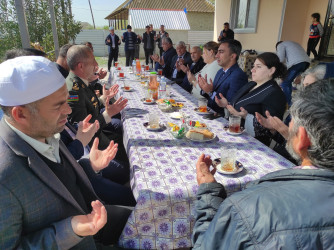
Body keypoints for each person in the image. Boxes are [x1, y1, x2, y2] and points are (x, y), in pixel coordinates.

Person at [0, 56, 132, 249]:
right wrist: (70, 230)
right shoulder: (4, 177)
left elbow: (58, 177)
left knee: (153, 219)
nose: (68, 110)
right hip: (78, 238)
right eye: (58, 105)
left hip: (92, 220)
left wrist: (90, 165)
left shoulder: (43, 128)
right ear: (20, 114)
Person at [193, 78, 334, 249]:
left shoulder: (248, 208)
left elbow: (208, 244)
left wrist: (208, 192)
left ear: (302, 139)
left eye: (291, 122)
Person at [65, 45, 128, 163]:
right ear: (81, 66)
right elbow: (84, 127)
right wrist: (107, 114)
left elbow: (89, 105)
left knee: (124, 142)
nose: (95, 64)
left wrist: (103, 99)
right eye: (93, 60)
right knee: (125, 164)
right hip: (91, 144)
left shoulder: (80, 80)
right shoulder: (74, 89)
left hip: (99, 133)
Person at [216, 52, 287, 146]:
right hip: (234, 134)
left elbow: (272, 129)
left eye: (258, 67)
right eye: (254, 66)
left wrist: (246, 116)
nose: (253, 70)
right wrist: (227, 104)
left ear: (271, 70)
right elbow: (240, 106)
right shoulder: (251, 84)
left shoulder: (275, 93)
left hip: (253, 144)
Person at [198, 39, 248, 113]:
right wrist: (205, 89)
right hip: (209, 112)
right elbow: (212, 95)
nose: (217, 55)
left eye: (221, 52)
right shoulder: (220, 71)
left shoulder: (238, 76)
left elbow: (230, 105)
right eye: (217, 52)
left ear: (232, 56)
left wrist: (209, 92)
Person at [276, 40, 310, 106]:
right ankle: (302, 102)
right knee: (293, 81)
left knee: (285, 83)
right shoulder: (292, 44)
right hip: (305, 63)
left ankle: (289, 104)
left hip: (296, 64)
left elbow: (280, 59)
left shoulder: (280, 45)